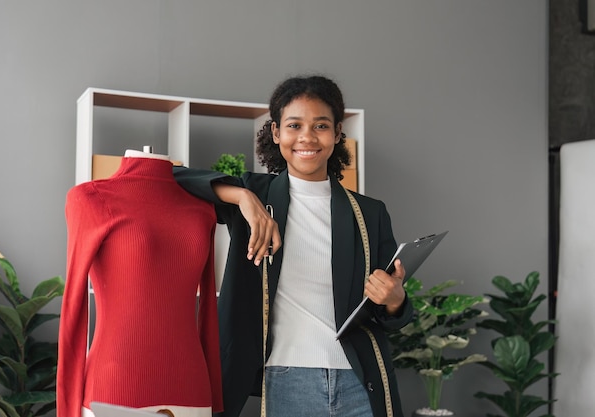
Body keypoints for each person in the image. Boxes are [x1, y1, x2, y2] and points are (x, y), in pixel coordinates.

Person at [173, 75, 413, 417]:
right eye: (294, 125)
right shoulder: (256, 194)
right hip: (288, 378)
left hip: (361, 381)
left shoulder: (369, 213)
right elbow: (169, 180)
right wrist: (242, 197)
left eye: (321, 126)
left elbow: (388, 313)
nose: (307, 137)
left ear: (338, 133)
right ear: (275, 132)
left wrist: (394, 300)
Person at [58, 149, 223, 417]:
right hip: (117, 382)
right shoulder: (90, 198)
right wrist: (67, 405)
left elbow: (207, 307)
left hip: (191, 384)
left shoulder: (202, 209)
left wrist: (214, 388)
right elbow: (74, 306)